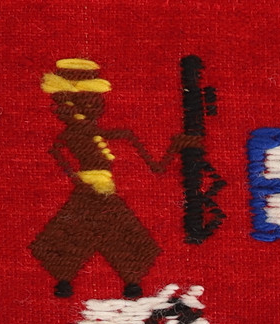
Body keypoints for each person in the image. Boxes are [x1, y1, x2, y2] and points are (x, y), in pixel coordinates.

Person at [30, 58, 198, 298]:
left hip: (98, 192)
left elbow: (157, 168)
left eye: (96, 100)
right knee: (114, 233)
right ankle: (120, 283)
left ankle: (77, 281)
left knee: (91, 232)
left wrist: (177, 146)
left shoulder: (115, 136)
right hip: (92, 193)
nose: (97, 105)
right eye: (90, 100)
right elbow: (59, 155)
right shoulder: (75, 136)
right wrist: (81, 181)